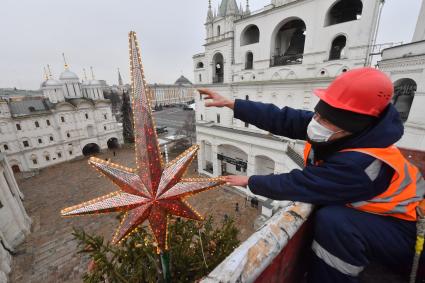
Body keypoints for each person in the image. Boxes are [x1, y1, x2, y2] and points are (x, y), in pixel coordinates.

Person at [198, 67, 425, 283]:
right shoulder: (341, 127)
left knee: (334, 222)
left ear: (350, 128)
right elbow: (284, 118)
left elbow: (302, 184)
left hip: (406, 232)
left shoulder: (362, 164)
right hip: (381, 216)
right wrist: (233, 104)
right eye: (317, 114)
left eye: (324, 120)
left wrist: (250, 181)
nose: (315, 123)